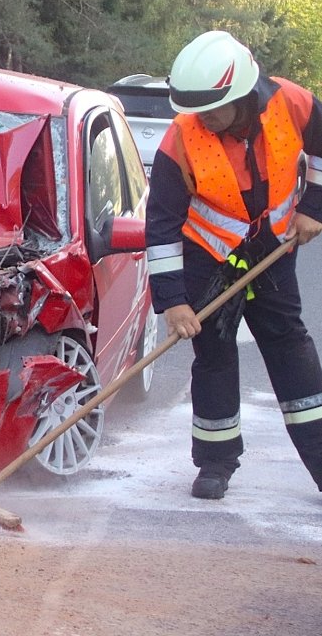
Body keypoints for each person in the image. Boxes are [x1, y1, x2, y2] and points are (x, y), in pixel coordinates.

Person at [146, 30, 322, 499]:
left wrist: (315, 207)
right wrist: (174, 303)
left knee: (291, 350)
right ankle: (215, 464)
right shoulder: (181, 138)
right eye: (195, 109)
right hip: (209, 258)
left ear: (241, 94)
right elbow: (161, 226)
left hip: (274, 252)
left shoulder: (292, 102)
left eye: (211, 109)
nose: (202, 118)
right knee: (215, 354)